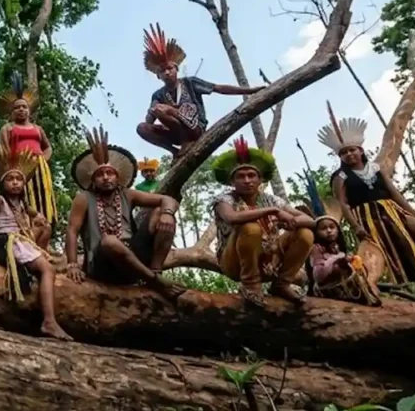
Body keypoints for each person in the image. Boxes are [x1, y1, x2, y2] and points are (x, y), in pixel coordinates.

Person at [319, 106, 415, 297]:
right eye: (344, 153)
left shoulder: (375, 169)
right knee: (408, 249)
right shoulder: (340, 176)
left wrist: (414, 213)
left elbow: (395, 193)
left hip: (392, 210)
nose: (349, 154)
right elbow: (343, 203)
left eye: (352, 150)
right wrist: (356, 226)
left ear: (360, 150)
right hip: (371, 218)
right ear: (340, 157)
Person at [65, 127, 185, 302]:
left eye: (110, 173)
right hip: (102, 265)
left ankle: (155, 271)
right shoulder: (84, 198)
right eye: (100, 175)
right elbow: (72, 231)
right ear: (93, 180)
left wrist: (167, 213)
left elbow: (169, 200)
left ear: (117, 177)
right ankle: (155, 282)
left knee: (160, 212)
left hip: (133, 259)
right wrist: (73, 264)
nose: (106, 177)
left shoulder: (127, 194)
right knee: (110, 240)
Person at [0, 144, 70, 340]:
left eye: (19, 179)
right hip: (7, 242)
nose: (16, 183)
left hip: (22, 240)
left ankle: (38, 258)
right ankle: (49, 322)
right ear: (2, 183)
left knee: (46, 227)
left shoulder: (22, 203)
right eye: (10, 179)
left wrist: (40, 217)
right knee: (48, 270)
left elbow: (37, 215)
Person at [211, 137, 314, 307]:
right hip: (235, 263)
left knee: (305, 233)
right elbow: (232, 218)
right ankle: (251, 286)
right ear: (232, 181)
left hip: (270, 260)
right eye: (241, 176)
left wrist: (289, 221)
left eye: (251, 175)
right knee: (250, 227)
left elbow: (309, 221)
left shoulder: (271, 199)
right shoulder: (224, 199)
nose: (247, 180)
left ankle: (282, 284)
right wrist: (273, 211)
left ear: (260, 180)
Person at [136, 24, 263, 158]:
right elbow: (149, 121)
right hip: (175, 133)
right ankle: (174, 151)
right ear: (158, 75)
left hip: (195, 128)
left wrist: (250, 91)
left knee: (166, 109)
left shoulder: (190, 83)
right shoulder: (158, 95)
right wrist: (153, 112)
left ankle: (187, 141)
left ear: (176, 69)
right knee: (142, 127)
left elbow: (219, 88)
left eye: (169, 68)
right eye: (162, 70)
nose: (167, 72)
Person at [298, 170, 380, 305]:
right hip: (326, 288)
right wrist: (338, 262)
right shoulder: (315, 249)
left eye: (332, 227)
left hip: (343, 283)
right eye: (323, 229)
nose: (329, 231)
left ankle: (367, 294)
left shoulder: (338, 247)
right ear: (316, 233)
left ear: (338, 230)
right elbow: (318, 274)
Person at [0, 72, 56, 243]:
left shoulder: (37, 128)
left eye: (24, 107)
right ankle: (27, 235)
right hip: (20, 168)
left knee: (43, 198)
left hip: (40, 168)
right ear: (12, 112)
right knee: (25, 199)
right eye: (17, 107)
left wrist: (44, 159)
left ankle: (45, 237)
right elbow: (4, 149)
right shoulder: (7, 128)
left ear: (29, 110)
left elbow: (48, 146)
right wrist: (13, 167)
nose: (21, 109)